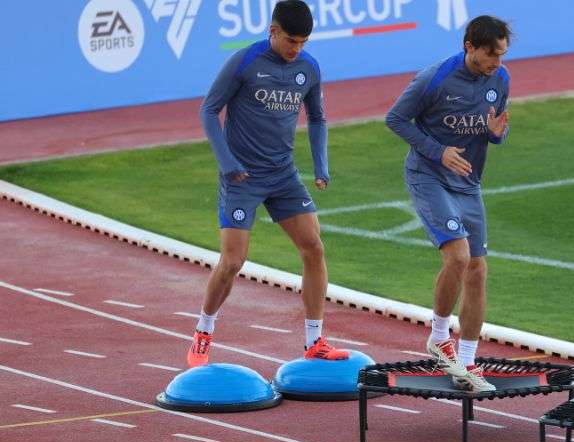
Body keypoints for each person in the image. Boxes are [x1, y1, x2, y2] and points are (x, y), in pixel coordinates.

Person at [187, 0, 348, 367]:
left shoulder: (308, 67)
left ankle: (314, 341)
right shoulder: (245, 62)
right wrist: (228, 163)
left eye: (303, 42)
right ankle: (203, 333)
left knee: (314, 249)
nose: (297, 49)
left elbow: (318, 117)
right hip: (242, 177)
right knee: (232, 261)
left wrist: (320, 164)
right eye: (291, 41)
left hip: (283, 175)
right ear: (272, 32)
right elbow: (209, 110)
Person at [385, 15, 511, 391]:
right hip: (429, 175)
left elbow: (495, 128)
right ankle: (439, 335)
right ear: (469, 46)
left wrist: (496, 134)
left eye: (502, 54)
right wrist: (439, 151)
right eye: (491, 54)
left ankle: (469, 363)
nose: (497, 62)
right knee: (458, 256)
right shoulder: (434, 78)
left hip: (468, 183)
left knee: (478, 269)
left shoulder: (500, 79)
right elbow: (395, 119)